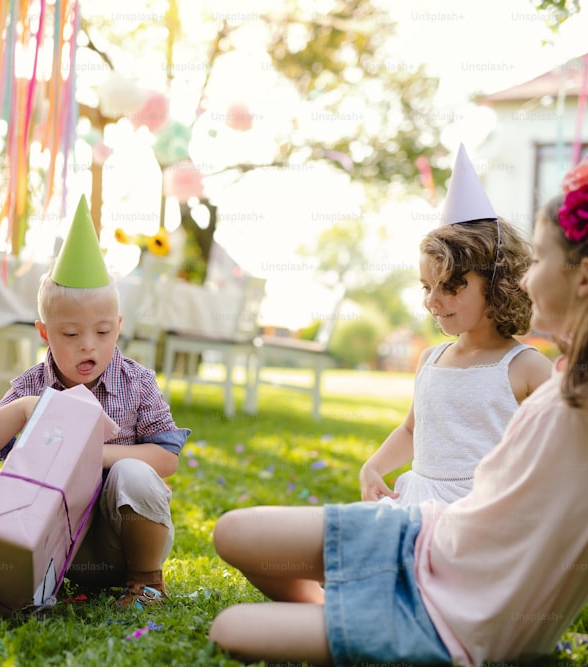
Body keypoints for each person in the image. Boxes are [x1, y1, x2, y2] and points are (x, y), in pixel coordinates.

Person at [206, 156, 588, 667]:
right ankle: (354, 608)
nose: (523, 279)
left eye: (538, 260)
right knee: (232, 534)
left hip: (454, 593)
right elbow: (416, 426)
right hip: (430, 536)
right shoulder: (556, 383)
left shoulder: (538, 377)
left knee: (233, 627)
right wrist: (377, 467)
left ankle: (359, 613)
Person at [0, 195, 190, 609]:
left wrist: (87, 453)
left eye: (102, 332)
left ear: (118, 327)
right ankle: (20, 586)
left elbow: (167, 458)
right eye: (70, 334)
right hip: (56, 548)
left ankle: (146, 583)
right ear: (44, 334)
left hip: (123, 541)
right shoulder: (32, 386)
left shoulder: (136, 382)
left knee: (133, 472)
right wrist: (27, 410)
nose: (88, 346)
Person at [360, 145, 552, 505]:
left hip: (482, 510)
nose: (433, 300)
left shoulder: (525, 367)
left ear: (498, 283)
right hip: (419, 499)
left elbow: (558, 445)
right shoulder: (432, 360)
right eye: (427, 287)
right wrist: (373, 466)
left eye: (450, 286)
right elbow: (410, 429)